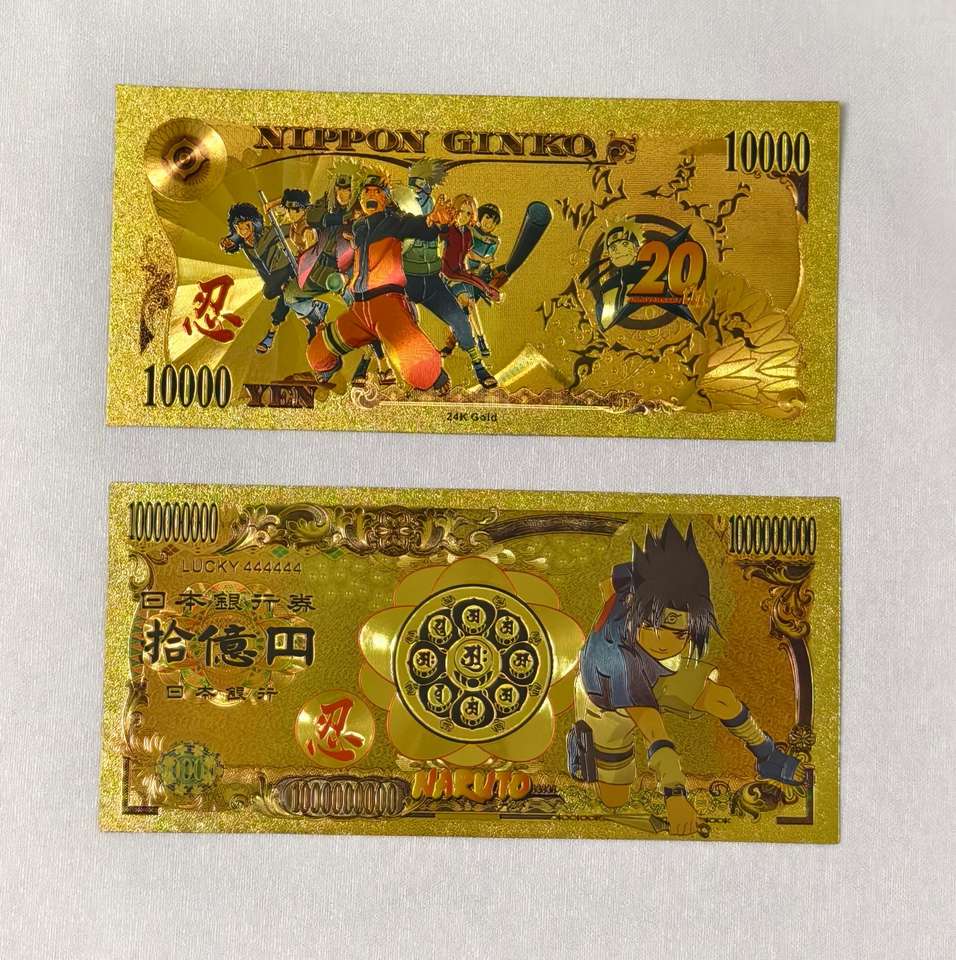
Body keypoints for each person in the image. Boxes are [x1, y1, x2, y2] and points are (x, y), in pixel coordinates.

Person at [567, 518, 805, 836]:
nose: (665, 641)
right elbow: (655, 733)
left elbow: (610, 583)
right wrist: (675, 797)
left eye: (679, 633)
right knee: (614, 800)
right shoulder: (618, 665)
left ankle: (767, 756)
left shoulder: (637, 578)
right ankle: (582, 746)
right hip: (605, 701)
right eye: (655, 627)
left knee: (721, 698)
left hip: (654, 667)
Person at [305, 174, 453, 392]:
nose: (371, 195)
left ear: (386, 198)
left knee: (421, 370)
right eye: (366, 192)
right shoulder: (358, 228)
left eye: (377, 191)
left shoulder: (394, 222)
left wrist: (434, 222)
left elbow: (419, 226)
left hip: (387, 306)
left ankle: (437, 378)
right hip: (358, 311)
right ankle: (333, 367)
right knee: (316, 355)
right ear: (360, 199)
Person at [402, 160, 497, 388]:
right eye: (416, 185)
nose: (420, 191)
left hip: (432, 280)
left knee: (460, 320)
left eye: (424, 185)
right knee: (402, 326)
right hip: (406, 281)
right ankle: (419, 371)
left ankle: (478, 366)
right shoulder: (402, 209)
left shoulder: (440, 213)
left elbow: (449, 233)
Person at [219, 201, 293, 354]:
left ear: (254, 223)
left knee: (269, 292)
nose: (242, 230)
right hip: (274, 279)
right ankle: (271, 333)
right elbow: (233, 240)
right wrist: (226, 242)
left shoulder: (268, 233)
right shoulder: (242, 242)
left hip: (285, 269)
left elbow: (290, 229)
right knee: (284, 293)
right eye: (238, 226)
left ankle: (271, 334)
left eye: (246, 225)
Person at [441, 194, 502, 359]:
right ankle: (456, 342)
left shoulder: (468, 233)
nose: (463, 216)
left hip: (464, 274)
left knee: (469, 306)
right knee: (459, 311)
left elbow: (468, 254)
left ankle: (480, 339)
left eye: (468, 213)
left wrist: (481, 262)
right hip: (448, 275)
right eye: (461, 211)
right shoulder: (448, 229)